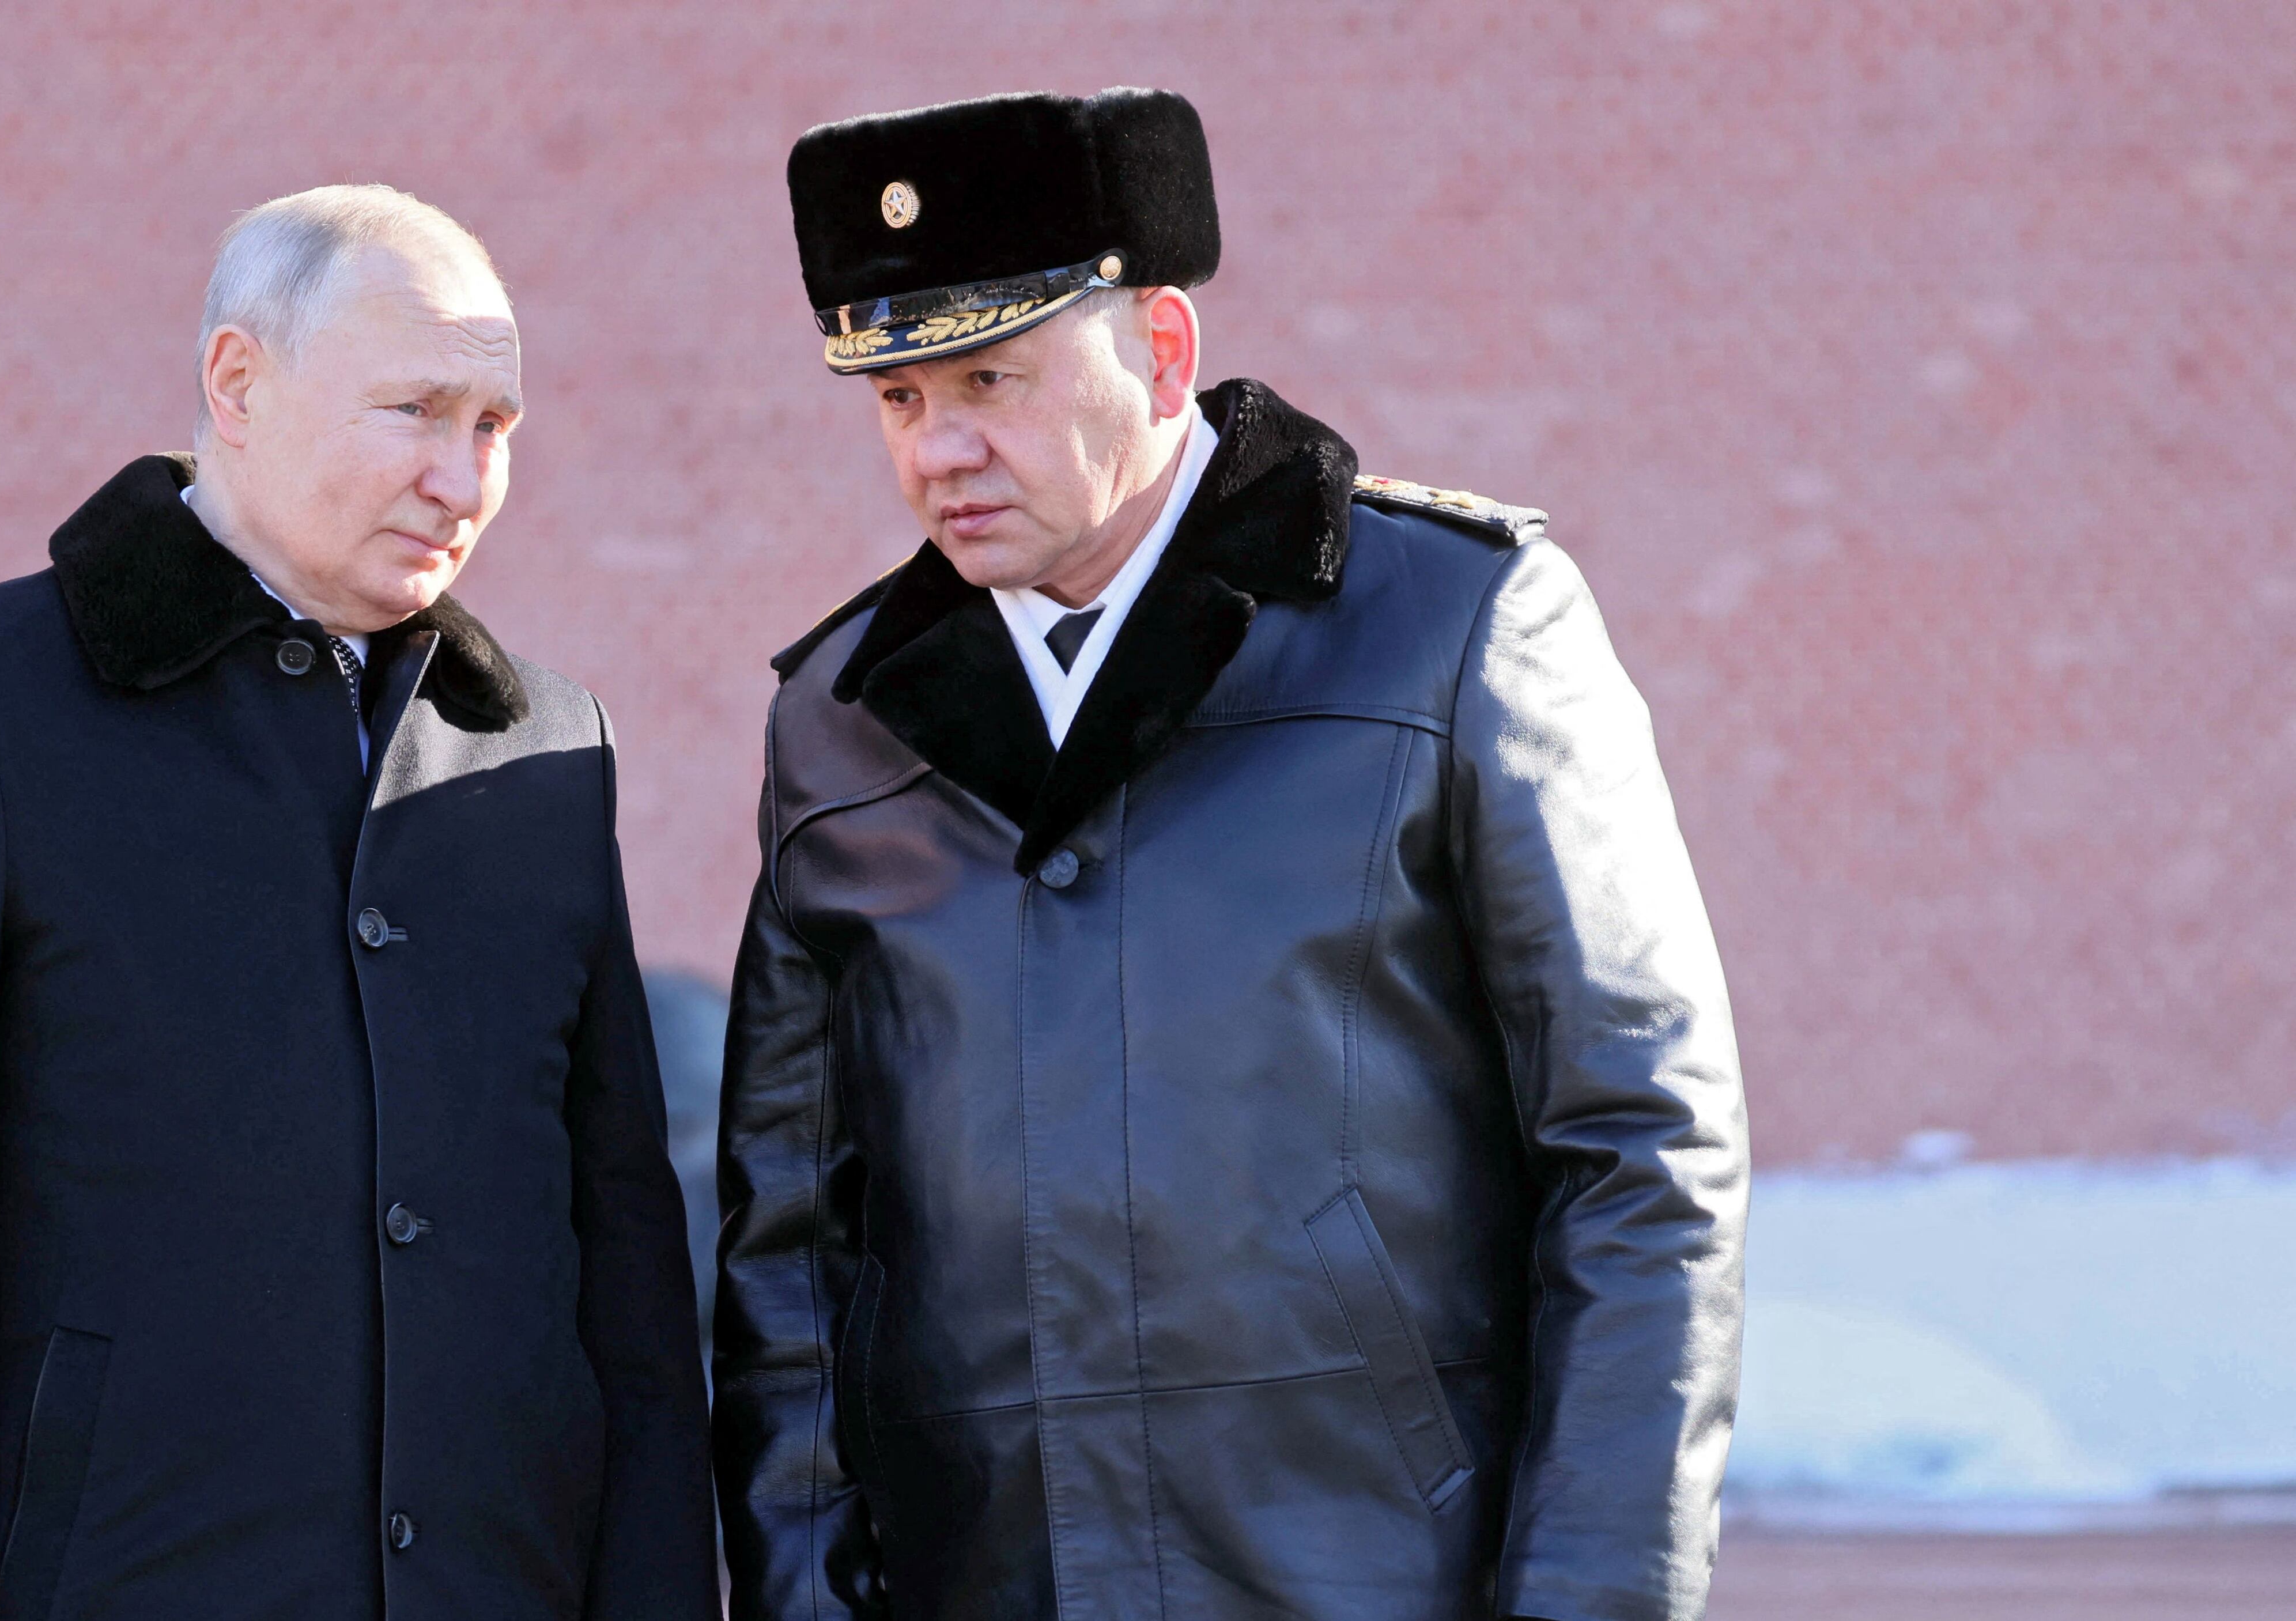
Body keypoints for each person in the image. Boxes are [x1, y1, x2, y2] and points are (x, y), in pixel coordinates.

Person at [713, 90, 1747, 1621]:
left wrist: (1592, 1596)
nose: (941, 449)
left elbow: (1640, 1153)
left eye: (989, 377)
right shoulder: (840, 721)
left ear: (1165, 352)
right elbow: (788, 1248)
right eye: (900, 400)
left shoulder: (1456, 626)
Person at [0, 185, 715, 1621]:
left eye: (494, 427)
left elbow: (623, 1279)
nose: (463, 476)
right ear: (238, 384)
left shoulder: (544, 748)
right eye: (417, 411)